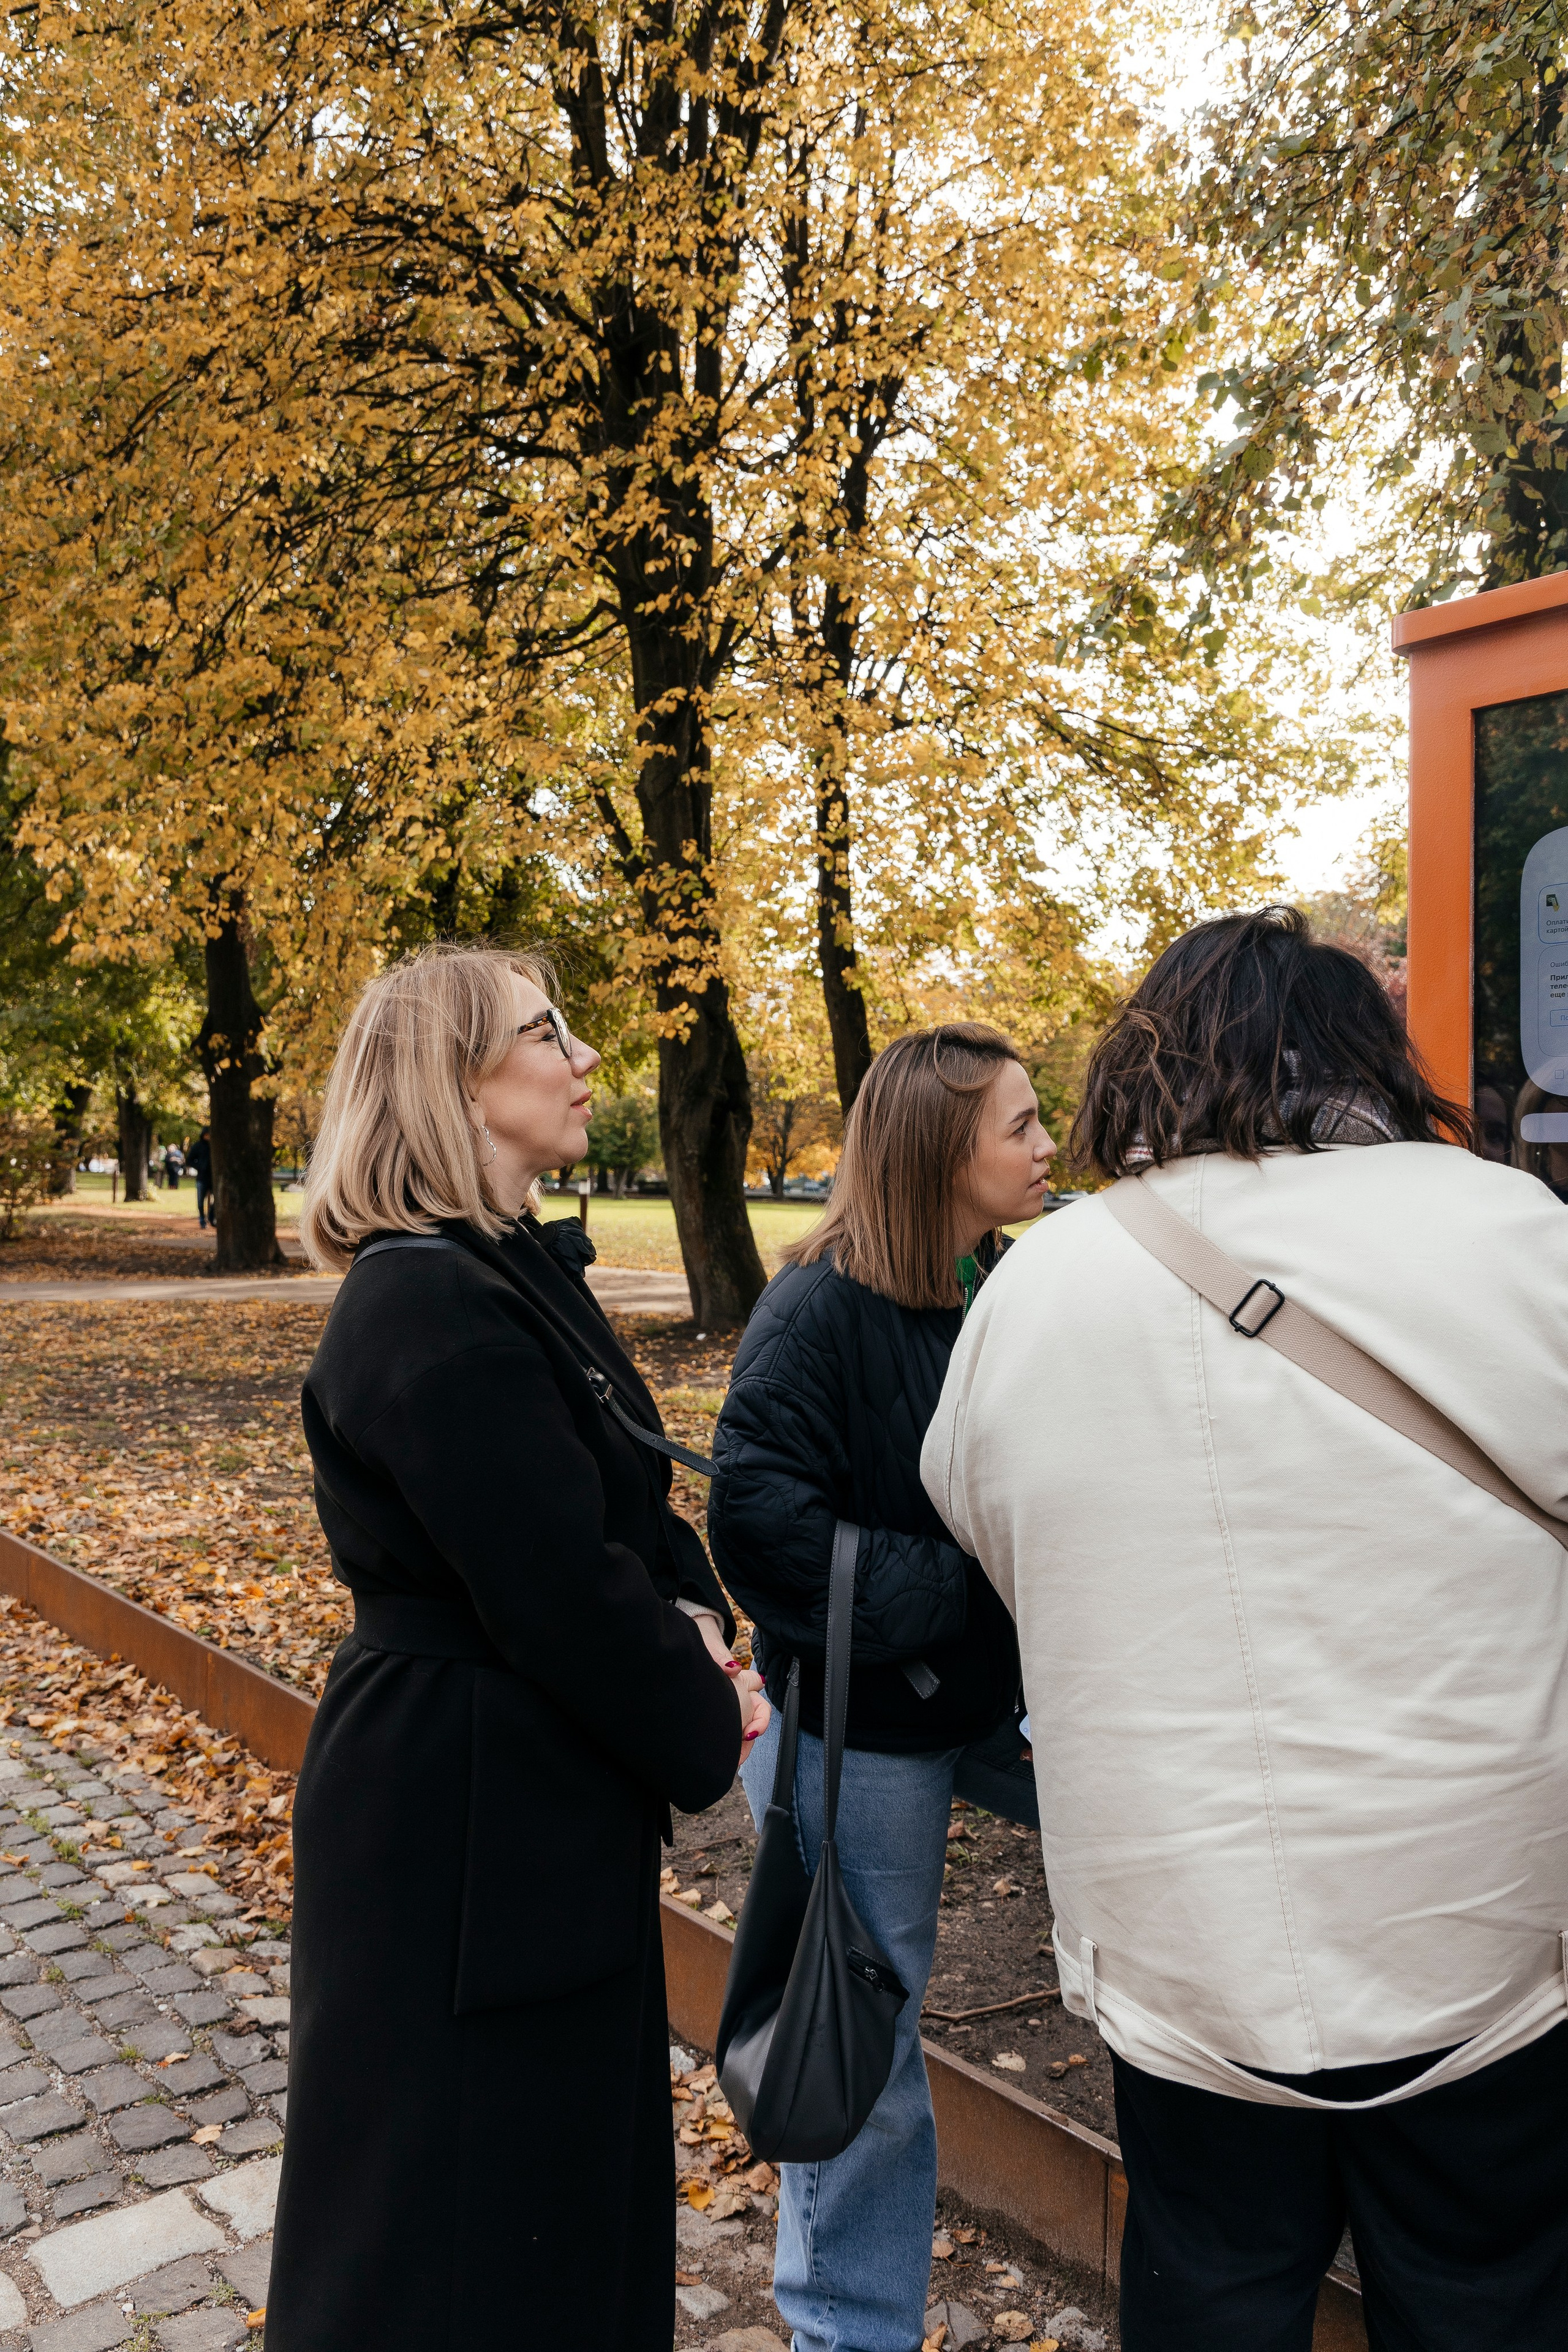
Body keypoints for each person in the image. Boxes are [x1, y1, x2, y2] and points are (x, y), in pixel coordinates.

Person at [922, 908, 1568, 2352]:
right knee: (1488, 2294)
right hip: (1475, 1934)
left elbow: (986, 1527)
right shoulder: (1512, 1231)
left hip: (1181, 1943)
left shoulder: (1038, 1285)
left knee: (1206, 2285)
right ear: (1360, 1048)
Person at [268, 944, 767, 2351]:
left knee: (542, 2200)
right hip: (466, 1822)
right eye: (550, 1033)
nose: (586, 1058)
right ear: (458, 1079)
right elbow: (555, 1587)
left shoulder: (497, 1272)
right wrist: (699, 1698)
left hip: (519, 1805)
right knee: (459, 2224)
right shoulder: (426, 1298)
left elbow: (628, 1507)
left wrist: (695, 1620)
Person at [709, 1024, 1054, 2352]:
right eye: (1020, 1125)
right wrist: (959, 1592)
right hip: (862, 1733)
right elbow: (759, 1528)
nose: (1047, 1147)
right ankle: (848, 2333)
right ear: (939, 1152)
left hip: (997, 1706)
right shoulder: (814, 1310)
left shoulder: (998, 1284)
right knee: (860, 2042)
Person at [189, 1127, 213, 1229]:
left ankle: (212, 1216)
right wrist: (200, 1167)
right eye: (207, 1135)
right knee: (200, 1201)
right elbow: (189, 1160)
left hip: (213, 1178)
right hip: (202, 1177)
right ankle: (202, 1219)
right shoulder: (198, 1146)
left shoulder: (215, 1146)